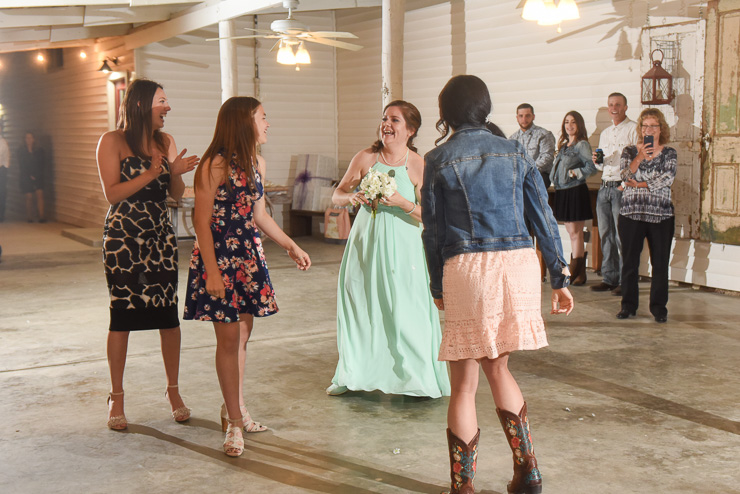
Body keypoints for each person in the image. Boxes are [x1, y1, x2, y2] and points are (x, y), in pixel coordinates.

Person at [422, 75, 573, 494]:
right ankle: (528, 472)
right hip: (517, 264)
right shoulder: (515, 150)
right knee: (499, 367)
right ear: (484, 108)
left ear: (446, 112)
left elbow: (433, 232)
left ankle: (463, 486)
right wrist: (559, 276)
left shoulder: (439, 158)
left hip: (468, 266)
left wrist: (437, 286)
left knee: (463, 384)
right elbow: (543, 215)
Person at [184, 96, 311, 457]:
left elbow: (260, 215)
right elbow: (200, 222)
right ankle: (235, 425)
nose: (267, 124)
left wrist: (290, 245)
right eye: (262, 117)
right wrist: (212, 272)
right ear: (243, 122)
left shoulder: (257, 163)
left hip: (248, 258)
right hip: (219, 258)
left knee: (241, 336)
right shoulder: (213, 165)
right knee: (228, 340)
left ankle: (234, 408)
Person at [326, 100, 450, 399]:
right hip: (366, 243)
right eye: (384, 118)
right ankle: (354, 373)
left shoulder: (418, 164)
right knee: (362, 306)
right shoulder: (366, 158)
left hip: (405, 248)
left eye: (394, 120)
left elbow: (431, 216)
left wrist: (402, 203)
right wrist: (352, 197)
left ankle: (415, 377)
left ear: (411, 130)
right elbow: (337, 194)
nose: (386, 125)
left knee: (408, 308)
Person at [96, 78, 198, 431]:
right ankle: (116, 397)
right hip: (122, 237)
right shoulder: (112, 141)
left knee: (168, 318)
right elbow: (112, 193)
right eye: (162, 101)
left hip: (160, 237)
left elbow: (176, 195)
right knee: (122, 317)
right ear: (141, 104)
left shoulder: (165, 142)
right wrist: (153, 172)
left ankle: (173, 392)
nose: (168, 107)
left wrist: (175, 173)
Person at [617, 108, 676, 324]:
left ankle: (659, 308)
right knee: (630, 263)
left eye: (653, 126)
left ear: (661, 129)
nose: (648, 130)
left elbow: (666, 179)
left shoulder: (669, 153)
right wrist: (640, 156)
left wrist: (639, 184)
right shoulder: (629, 151)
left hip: (661, 214)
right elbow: (624, 175)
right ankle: (628, 305)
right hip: (631, 213)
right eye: (645, 126)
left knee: (660, 263)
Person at [591, 93, 639, 295]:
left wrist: (625, 185)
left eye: (618, 104)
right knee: (606, 234)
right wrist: (597, 160)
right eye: (611, 105)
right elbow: (600, 165)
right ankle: (609, 278)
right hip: (604, 187)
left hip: (621, 187)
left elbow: (639, 161)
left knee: (622, 236)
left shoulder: (634, 129)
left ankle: (625, 280)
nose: (614, 108)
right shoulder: (605, 133)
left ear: (625, 107)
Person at [550, 111, 598, 285]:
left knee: (576, 233)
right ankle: (580, 273)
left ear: (579, 125)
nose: (569, 125)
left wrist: (574, 173)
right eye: (567, 122)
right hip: (563, 191)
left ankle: (574, 270)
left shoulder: (581, 145)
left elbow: (591, 167)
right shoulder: (564, 146)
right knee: (571, 233)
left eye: (573, 122)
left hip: (575, 191)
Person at [509, 103, 556, 189]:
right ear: (517, 118)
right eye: (521, 116)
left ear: (533, 117)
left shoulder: (544, 134)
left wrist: (528, 170)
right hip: (519, 176)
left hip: (539, 174)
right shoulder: (513, 139)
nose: (524, 119)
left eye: (527, 116)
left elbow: (547, 157)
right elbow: (511, 159)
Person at [17, 132, 46, 222]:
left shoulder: (40, 150)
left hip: (38, 175)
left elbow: (42, 164)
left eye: (30, 138)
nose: (28, 140)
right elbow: (21, 165)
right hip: (26, 176)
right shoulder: (21, 151)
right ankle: (30, 217)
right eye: (27, 138)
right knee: (29, 196)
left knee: (39, 194)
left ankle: (41, 217)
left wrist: (36, 175)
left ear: (34, 139)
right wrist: (29, 175)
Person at [0, 128, 8, 222]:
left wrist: (4, 169)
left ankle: (1, 214)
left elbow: (5, 157)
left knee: (1, 192)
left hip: (1, 170)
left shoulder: (3, 142)